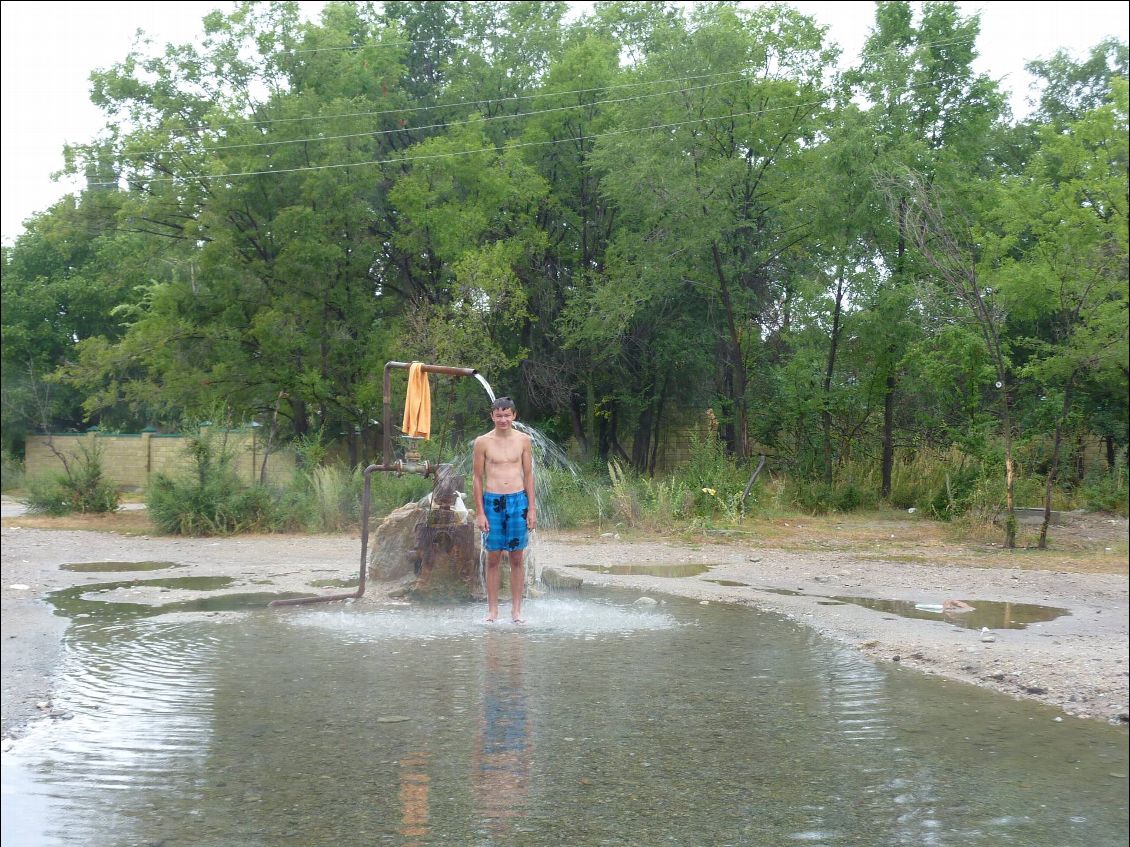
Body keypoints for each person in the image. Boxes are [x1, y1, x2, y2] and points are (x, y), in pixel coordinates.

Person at [473, 397, 536, 623]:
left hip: (518, 501)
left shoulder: (524, 440)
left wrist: (532, 509)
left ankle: (516, 611)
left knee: (517, 558)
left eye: (507, 415)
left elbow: (528, 475)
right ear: (492, 416)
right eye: (498, 415)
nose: (503, 419)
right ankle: (492, 611)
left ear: (514, 415)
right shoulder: (482, 442)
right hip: (492, 501)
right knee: (493, 558)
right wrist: (480, 511)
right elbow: (477, 477)